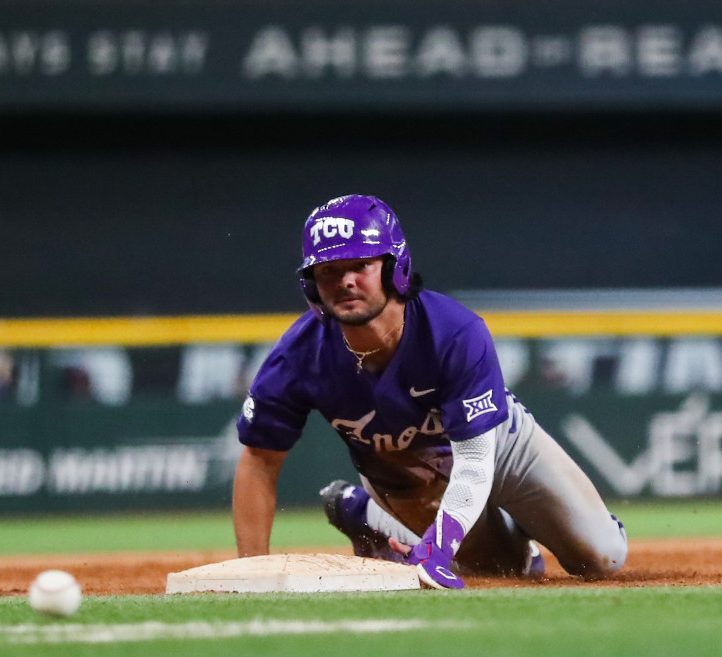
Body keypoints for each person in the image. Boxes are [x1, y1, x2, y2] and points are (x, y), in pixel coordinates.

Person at [232, 194, 627, 588]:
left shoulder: (453, 332)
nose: (345, 280)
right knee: (507, 570)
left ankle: (506, 523)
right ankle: (365, 513)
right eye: (328, 270)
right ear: (311, 284)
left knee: (602, 557)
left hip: (498, 446)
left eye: (361, 265)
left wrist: (437, 550)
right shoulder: (298, 355)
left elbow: (475, 460)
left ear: (393, 267)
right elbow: (259, 459)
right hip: (404, 475)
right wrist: (253, 569)